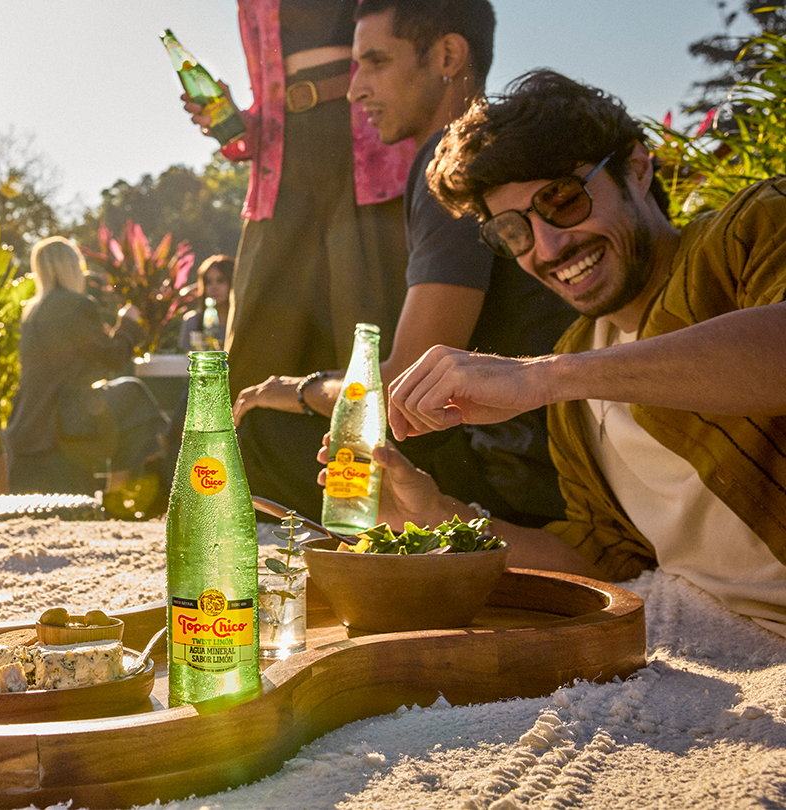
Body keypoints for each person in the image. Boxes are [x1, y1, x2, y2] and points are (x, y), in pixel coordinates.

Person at [353, 71, 786, 635]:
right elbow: (602, 558)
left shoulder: (750, 230)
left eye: (562, 199)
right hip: (728, 640)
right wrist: (437, 517)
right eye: (515, 232)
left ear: (636, 166)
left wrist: (549, 379)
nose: (549, 247)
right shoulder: (578, 362)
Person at [234, 0, 574, 527]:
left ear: (447, 55)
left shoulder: (455, 164)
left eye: (375, 63)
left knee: (258, 429)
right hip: (539, 459)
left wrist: (296, 389)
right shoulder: (501, 149)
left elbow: (402, 389)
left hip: (512, 479)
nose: (355, 89)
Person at [182, 0, 415, 402]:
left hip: (370, 146)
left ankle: (384, 464)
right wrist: (235, 120)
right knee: (255, 348)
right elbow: (270, 97)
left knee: (370, 330)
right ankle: (254, 461)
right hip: (282, 166)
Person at [4, 237, 169, 496]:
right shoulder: (77, 304)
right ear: (72, 266)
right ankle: (118, 494)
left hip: (32, 417)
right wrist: (127, 324)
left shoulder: (32, 310)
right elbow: (112, 359)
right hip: (64, 414)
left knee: (131, 401)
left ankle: (125, 488)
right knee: (134, 395)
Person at [177, 254, 232, 352]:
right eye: (208, 282)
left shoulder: (243, 321)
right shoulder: (192, 322)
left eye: (221, 281)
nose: (214, 287)